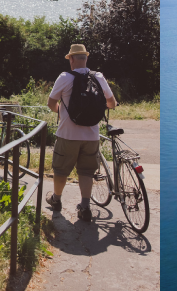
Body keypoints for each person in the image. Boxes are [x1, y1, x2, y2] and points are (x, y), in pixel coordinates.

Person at [46, 42, 118, 223]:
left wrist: (62, 112)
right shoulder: (98, 76)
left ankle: (56, 200)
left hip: (67, 134)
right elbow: (111, 103)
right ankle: (85, 207)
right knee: (86, 171)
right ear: (86, 59)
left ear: (71, 59)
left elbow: (51, 103)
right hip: (92, 135)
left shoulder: (64, 77)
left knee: (61, 170)